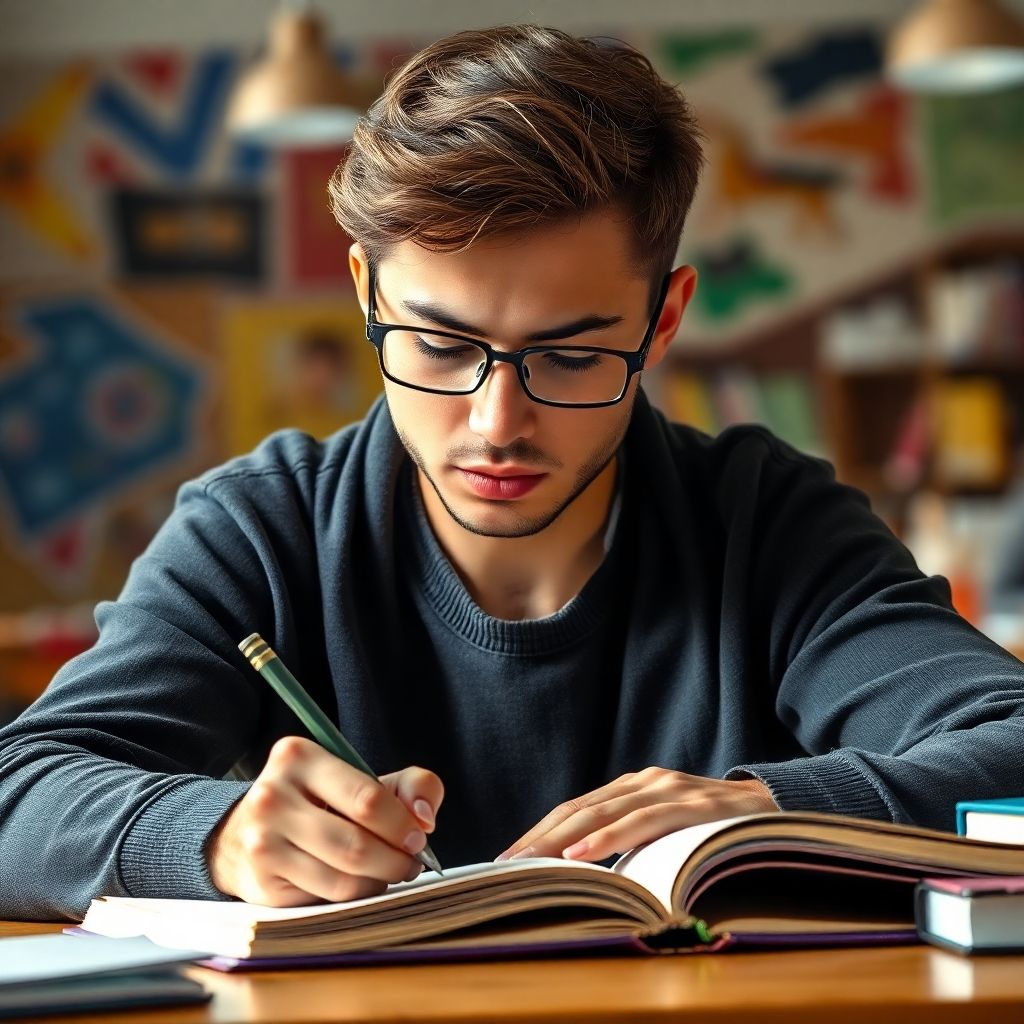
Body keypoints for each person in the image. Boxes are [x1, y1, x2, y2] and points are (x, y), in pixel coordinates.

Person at [1, 24, 1022, 921]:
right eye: (441, 347)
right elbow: (19, 793)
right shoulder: (258, 529)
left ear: (661, 320)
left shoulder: (769, 522)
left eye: (571, 356)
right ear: (365, 290)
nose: (496, 423)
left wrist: (774, 807)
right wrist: (217, 834)